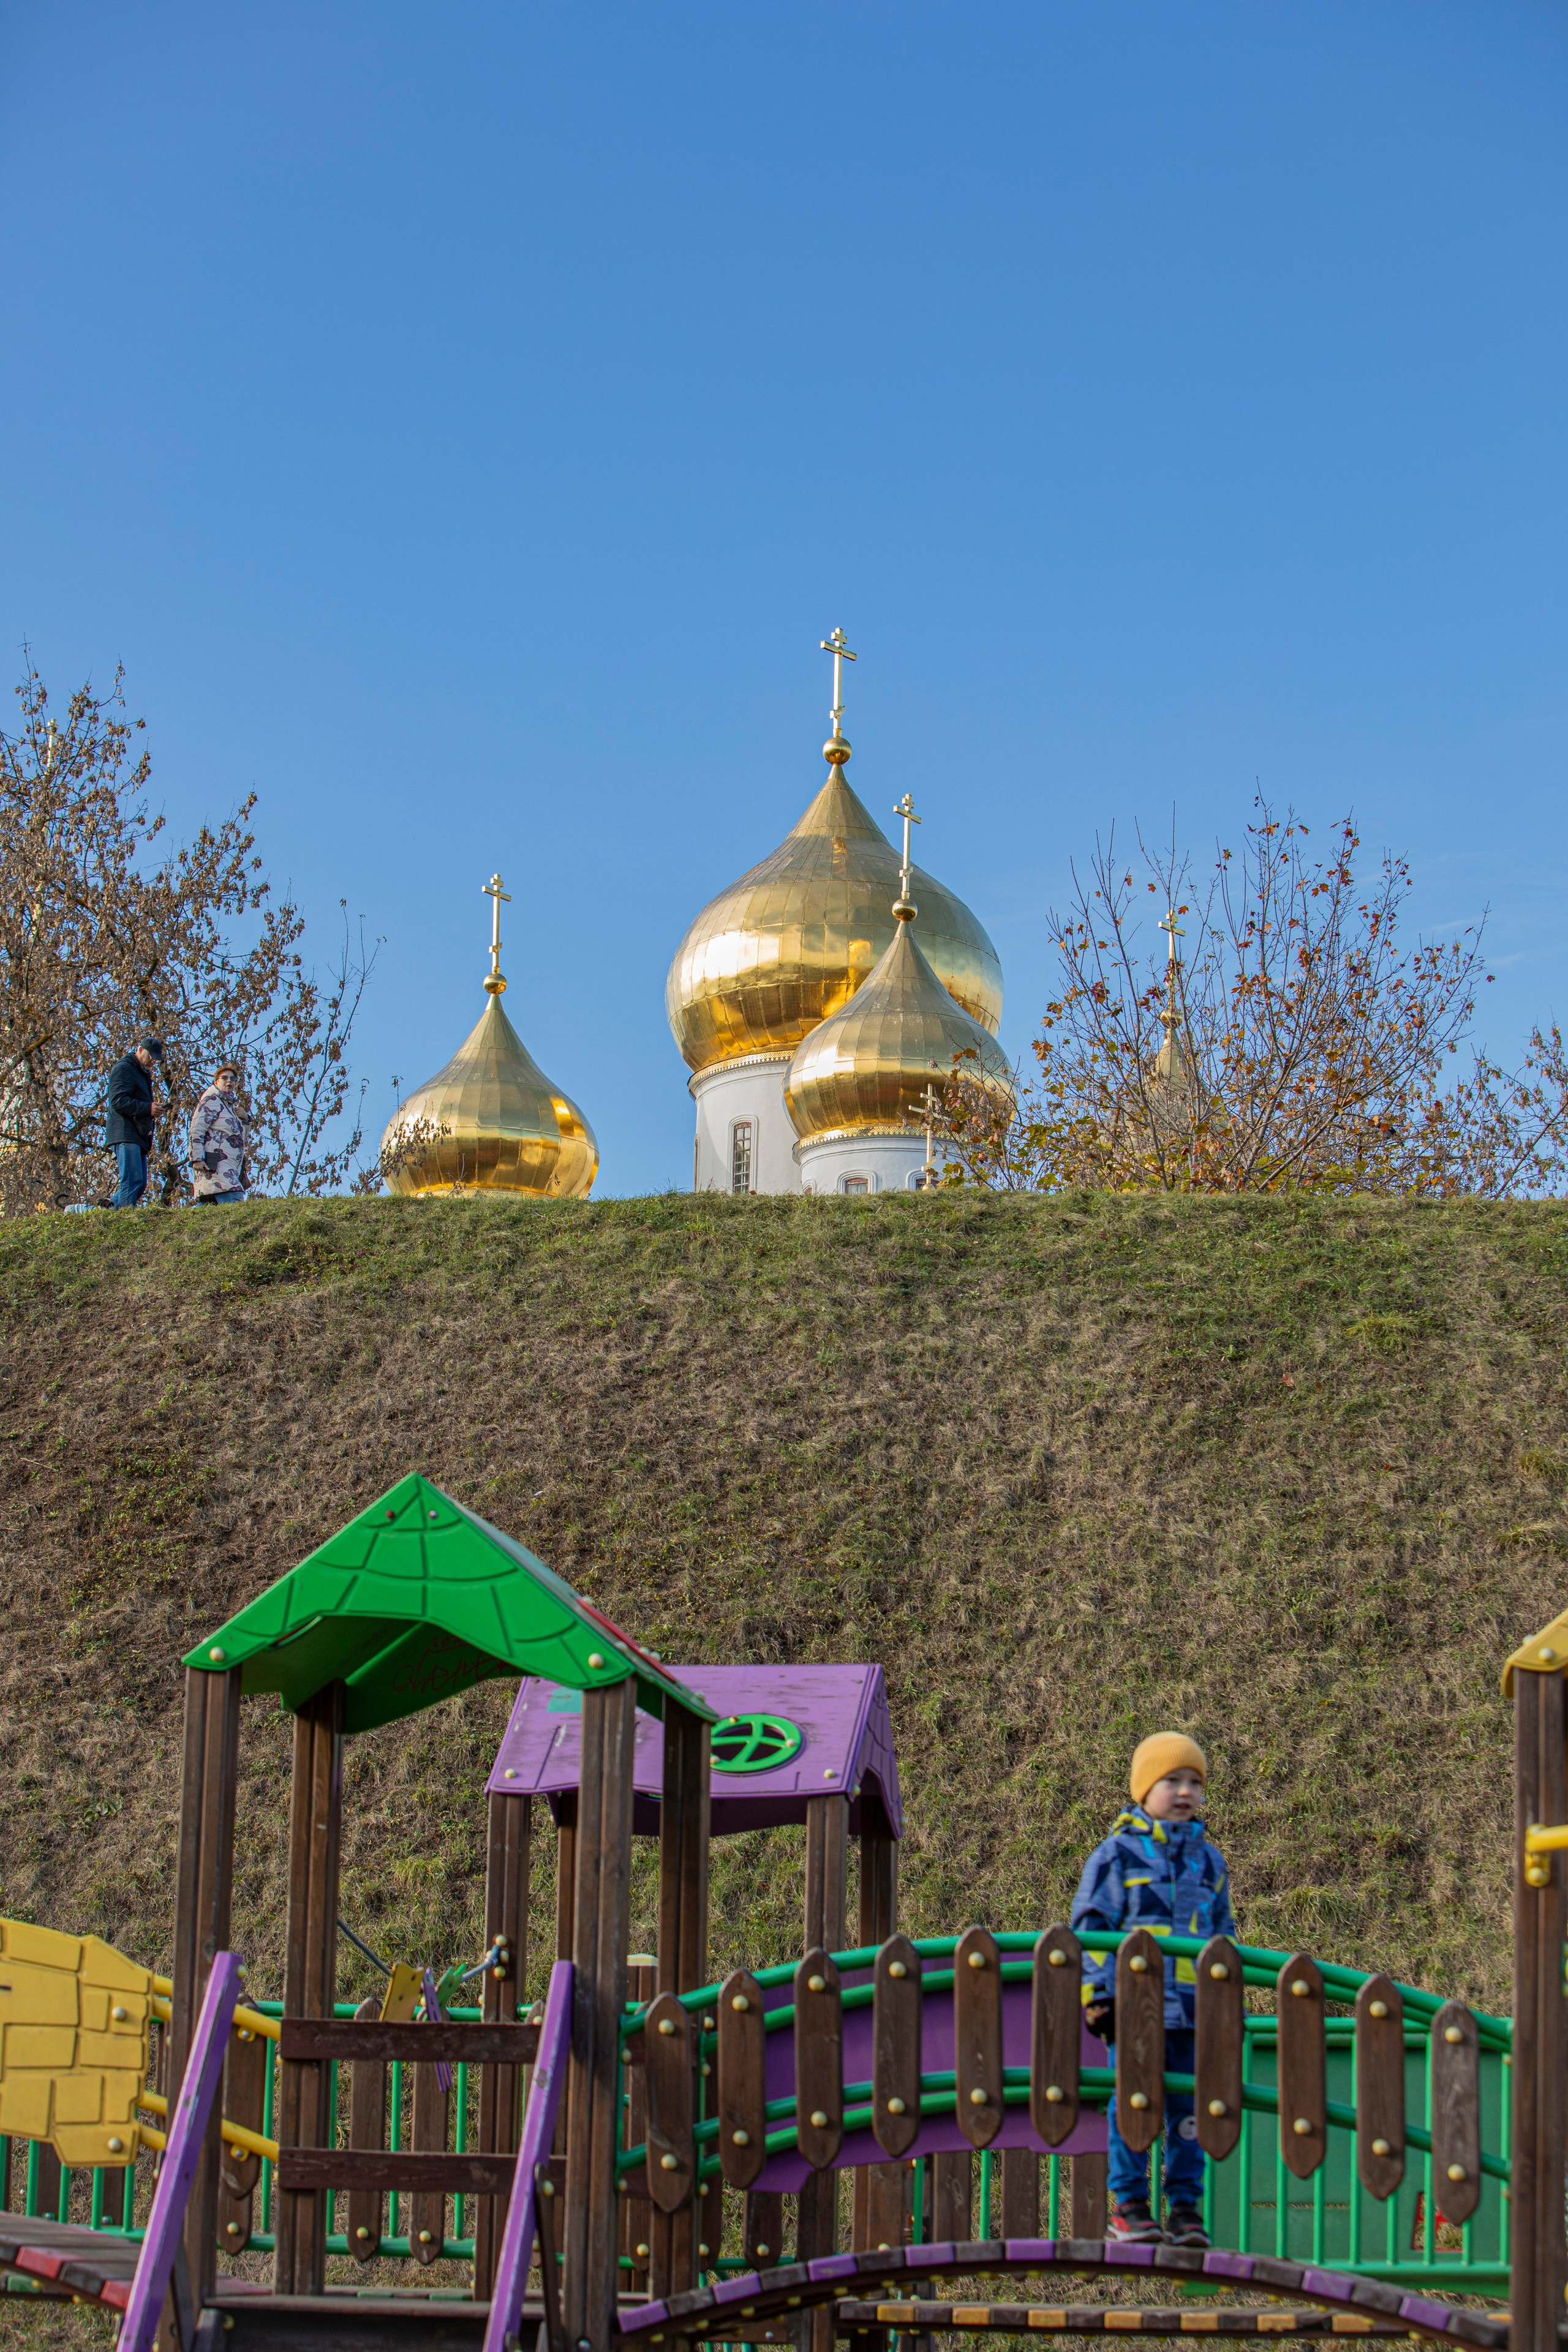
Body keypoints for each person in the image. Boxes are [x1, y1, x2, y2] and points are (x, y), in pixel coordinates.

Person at [1070, 1732, 1237, 2248]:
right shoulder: (1116, 1856)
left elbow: (1223, 1937)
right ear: (1144, 1790)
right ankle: (1130, 2206)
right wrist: (1098, 1994)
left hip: (1192, 2012)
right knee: (1135, 2101)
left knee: (1190, 2109)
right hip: (1136, 2009)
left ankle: (1186, 2207)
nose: (1186, 1791)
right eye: (1172, 1781)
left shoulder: (1209, 1863)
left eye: (1195, 1783)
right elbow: (1092, 1929)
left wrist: (1227, 2006)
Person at [104, 1036, 164, 1208]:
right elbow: (118, 1101)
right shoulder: (124, 1068)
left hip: (138, 1135)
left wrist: (152, 1109)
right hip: (125, 1133)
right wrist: (148, 1109)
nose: (153, 1061)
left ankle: (105, 1209)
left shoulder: (140, 1073)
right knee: (132, 1180)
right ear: (139, 1050)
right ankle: (124, 1220)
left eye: (156, 1059)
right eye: (150, 1057)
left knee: (140, 1184)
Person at [188, 1065, 249, 1202]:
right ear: (216, 1082)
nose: (230, 1081)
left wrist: (246, 1120)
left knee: (208, 1209)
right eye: (225, 1078)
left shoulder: (230, 1106)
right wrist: (196, 1158)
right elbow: (197, 1129)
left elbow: (238, 1138)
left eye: (233, 1079)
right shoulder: (212, 1100)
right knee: (235, 1200)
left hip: (230, 1165)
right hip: (217, 1164)